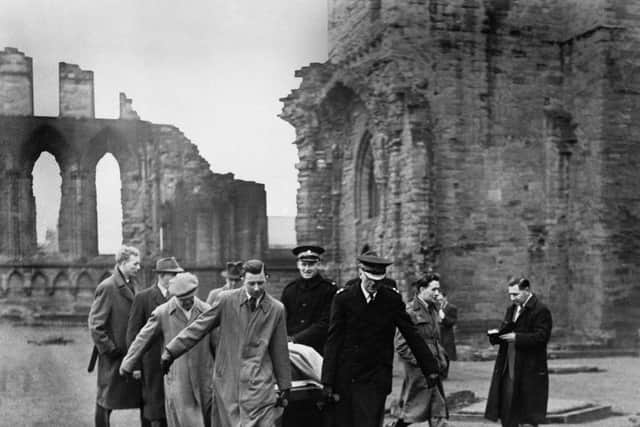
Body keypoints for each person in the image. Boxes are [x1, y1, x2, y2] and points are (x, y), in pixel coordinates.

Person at [160, 259, 291, 427]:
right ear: (243, 279)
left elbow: (279, 349)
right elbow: (198, 328)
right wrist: (171, 351)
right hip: (228, 384)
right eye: (252, 283)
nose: (257, 288)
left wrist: (285, 385)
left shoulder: (276, 309)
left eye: (260, 282)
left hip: (259, 385)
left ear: (266, 278)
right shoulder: (226, 300)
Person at [321, 252, 441, 427]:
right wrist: (327, 381)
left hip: (375, 377)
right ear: (360, 273)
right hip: (347, 376)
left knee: (369, 422)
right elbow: (333, 340)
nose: (373, 284)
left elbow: (411, 334)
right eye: (369, 278)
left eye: (378, 280)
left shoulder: (391, 300)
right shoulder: (343, 299)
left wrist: (430, 368)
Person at [121, 272, 213, 427]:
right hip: (178, 379)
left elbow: (218, 344)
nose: (187, 303)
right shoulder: (163, 313)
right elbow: (142, 339)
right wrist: (128, 363)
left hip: (204, 378)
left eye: (190, 299)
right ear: (175, 296)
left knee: (208, 419)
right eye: (182, 300)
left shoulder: (207, 311)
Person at [484, 277, 553, 427]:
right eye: (510, 294)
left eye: (515, 294)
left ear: (527, 290)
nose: (512, 298)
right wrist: (497, 336)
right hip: (508, 362)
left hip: (529, 366)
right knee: (507, 403)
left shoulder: (541, 310)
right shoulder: (512, 309)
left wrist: (517, 337)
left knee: (527, 410)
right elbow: (507, 330)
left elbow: (542, 337)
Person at [280, 245, 336, 427]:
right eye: (303, 264)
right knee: (293, 402)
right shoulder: (290, 290)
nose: (307, 269)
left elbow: (325, 323)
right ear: (298, 265)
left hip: (317, 354)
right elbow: (282, 321)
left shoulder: (329, 290)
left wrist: (296, 339)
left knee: (316, 403)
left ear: (318, 264)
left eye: (311, 264)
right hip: (293, 356)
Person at [88, 245, 144, 427]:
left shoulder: (134, 284)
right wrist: (111, 350)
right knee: (106, 401)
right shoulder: (108, 287)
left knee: (144, 398)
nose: (138, 267)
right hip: (114, 357)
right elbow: (96, 326)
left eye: (139, 264)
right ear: (122, 262)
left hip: (132, 354)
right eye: (135, 264)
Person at [126, 257, 184, 427]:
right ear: (161, 275)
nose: (175, 278)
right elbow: (133, 334)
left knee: (174, 406)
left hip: (175, 360)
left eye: (177, 274)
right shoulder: (143, 298)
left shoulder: (180, 297)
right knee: (152, 407)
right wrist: (135, 364)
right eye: (171, 274)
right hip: (151, 362)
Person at [393, 274, 449, 427]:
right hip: (419, 371)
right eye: (434, 289)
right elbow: (401, 345)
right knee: (413, 410)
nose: (437, 293)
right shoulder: (410, 311)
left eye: (438, 289)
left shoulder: (432, 310)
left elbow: (435, 340)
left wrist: (441, 360)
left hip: (433, 367)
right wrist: (422, 363)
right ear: (422, 289)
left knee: (435, 409)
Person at [437, 289, 458, 362]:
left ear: (445, 298)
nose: (439, 301)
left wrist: (444, 317)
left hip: (447, 334)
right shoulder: (437, 308)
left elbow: (452, 322)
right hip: (439, 334)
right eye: (438, 299)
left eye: (441, 299)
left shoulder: (452, 308)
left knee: (448, 356)